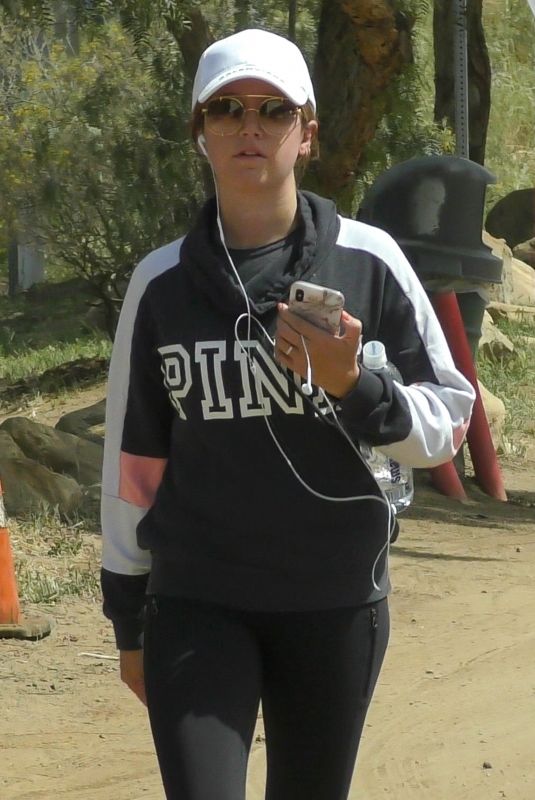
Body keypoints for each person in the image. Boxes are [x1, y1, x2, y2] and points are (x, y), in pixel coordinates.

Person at [100, 28, 475, 800]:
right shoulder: (160, 283)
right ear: (199, 132)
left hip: (333, 603)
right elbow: (134, 464)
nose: (249, 126)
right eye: (227, 108)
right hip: (197, 603)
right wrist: (126, 613)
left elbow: (448, 420)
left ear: (305, 133)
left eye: (272, 109)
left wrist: (355, 385)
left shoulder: (368, 260)